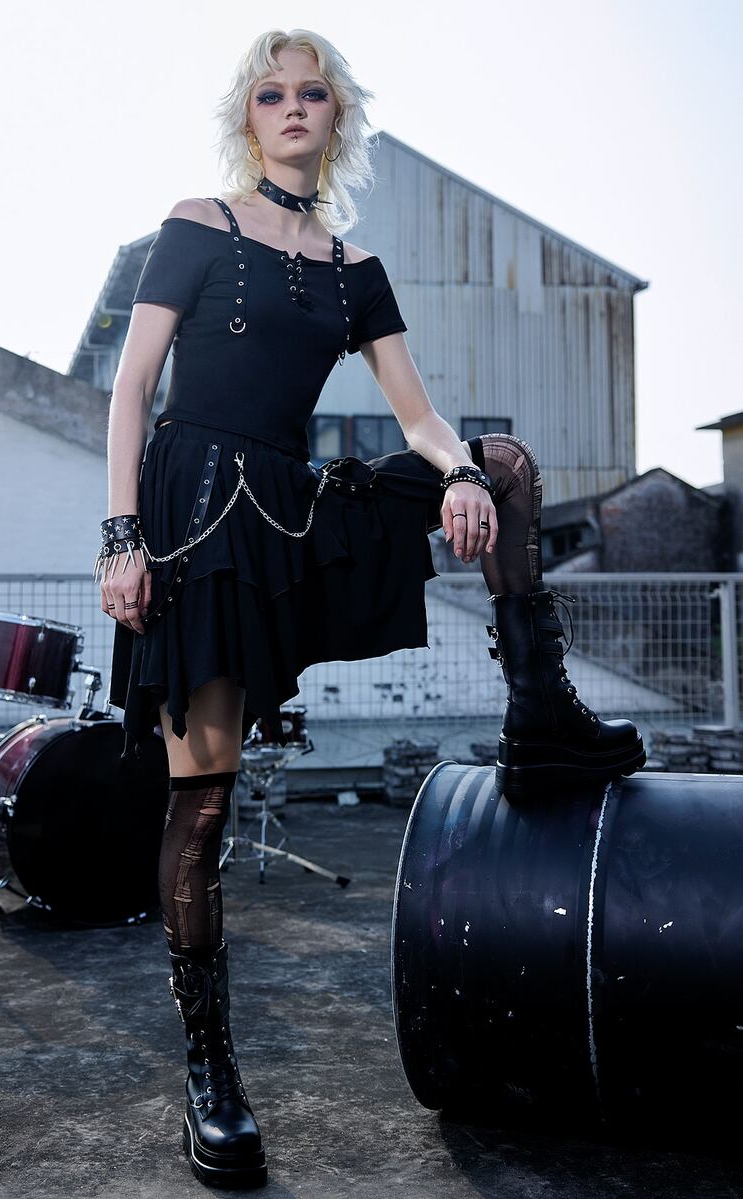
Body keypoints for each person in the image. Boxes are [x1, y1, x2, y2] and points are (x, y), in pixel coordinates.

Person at [96, 29, 646, 1190]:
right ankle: (211, 1072)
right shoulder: (198, 223)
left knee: (506, 465)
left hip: (292, 510)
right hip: (195, 521)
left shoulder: (358, 270)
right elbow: (133, 385)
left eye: (313, 93)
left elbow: (420, 416)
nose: (293, 107)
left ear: (337, 117)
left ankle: (540, 714)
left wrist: (457, 472)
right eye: (271, 93)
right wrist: (119, 536)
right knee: (202, 803)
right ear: (248, 118)